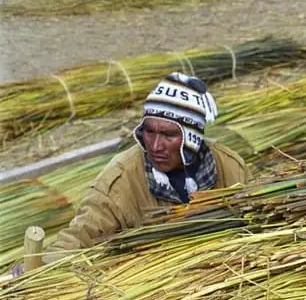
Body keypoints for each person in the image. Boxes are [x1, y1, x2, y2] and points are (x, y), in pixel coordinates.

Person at [41, 71, 249, 264]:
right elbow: (82, 235)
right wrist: (40, 266)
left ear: (192, 138)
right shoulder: (121, 179)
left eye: (168, 135)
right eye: (149, 132)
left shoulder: (229, 167)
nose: (155, 146)